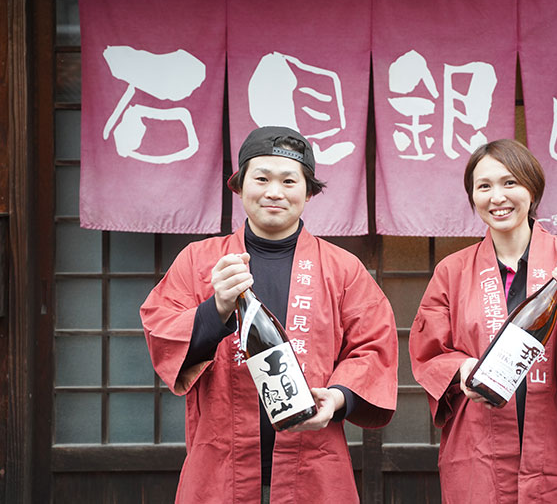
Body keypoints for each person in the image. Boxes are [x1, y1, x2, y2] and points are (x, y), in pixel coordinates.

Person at [140, 126, 398, 503]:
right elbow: (162, 330)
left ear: (309, 192)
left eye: (289, 180)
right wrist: (217, 309)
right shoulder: (199, 260)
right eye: (261, 178)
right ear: (239, 186)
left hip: (314, 467)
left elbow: (374, 347)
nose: (274, 191)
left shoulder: (343, 268)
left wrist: (339, 398)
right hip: (220, 467)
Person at [409, 139, 557, 503]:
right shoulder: (452, 271)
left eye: (510, 183)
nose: (497, 197)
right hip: (482, 437)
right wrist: (462, 368)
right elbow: (429, 350)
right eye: (484, 186)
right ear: (472, 196)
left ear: (532, 188)